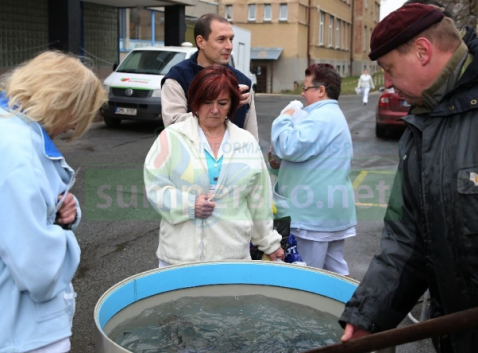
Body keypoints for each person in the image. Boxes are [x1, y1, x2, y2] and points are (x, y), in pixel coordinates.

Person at [339, 3, 478, 352]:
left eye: (390, 70)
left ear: (423, 51)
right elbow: (407, 241)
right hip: (461, 337)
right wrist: (369, 318)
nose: (391, 85)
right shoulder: (419, 131)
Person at [0, 51, 107, 353]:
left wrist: (58, 214)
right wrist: (63, 238)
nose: (71, 127)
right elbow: (40, 271)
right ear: (61, 102)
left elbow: (13, 215)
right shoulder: (14, 151)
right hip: (13, 333)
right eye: (76, 113)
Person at [145, 64, 284, 266]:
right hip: (179, 258)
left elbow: (259, 200)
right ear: (194, 101)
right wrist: (189, 205)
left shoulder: (246, 142)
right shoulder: (172, 138)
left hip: (231, 256)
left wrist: (270, 243)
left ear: (232, 104)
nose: (215, 110)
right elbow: (155, 188)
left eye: (223, 102)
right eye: (207, 102)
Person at [269, 63, 357, 276]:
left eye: (306, 87)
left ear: (320, 90)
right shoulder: (332, 115)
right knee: (335, 274)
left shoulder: (320, 117)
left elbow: (289, 146)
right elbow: (308, 157)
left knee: (306, 278)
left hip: (312, 217)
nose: (302, 93)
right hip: (329, 214)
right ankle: (347, 309)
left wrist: (285, 116)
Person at [161, 13, 258, 140]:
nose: (229, 46)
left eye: (231, 39)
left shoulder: (242, 82)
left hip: (233, 158)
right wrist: (226, 106)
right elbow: (173, 126)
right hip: (191, 158)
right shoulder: (178, 79)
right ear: (201, 41)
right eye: (221, 39)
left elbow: (251, 135)